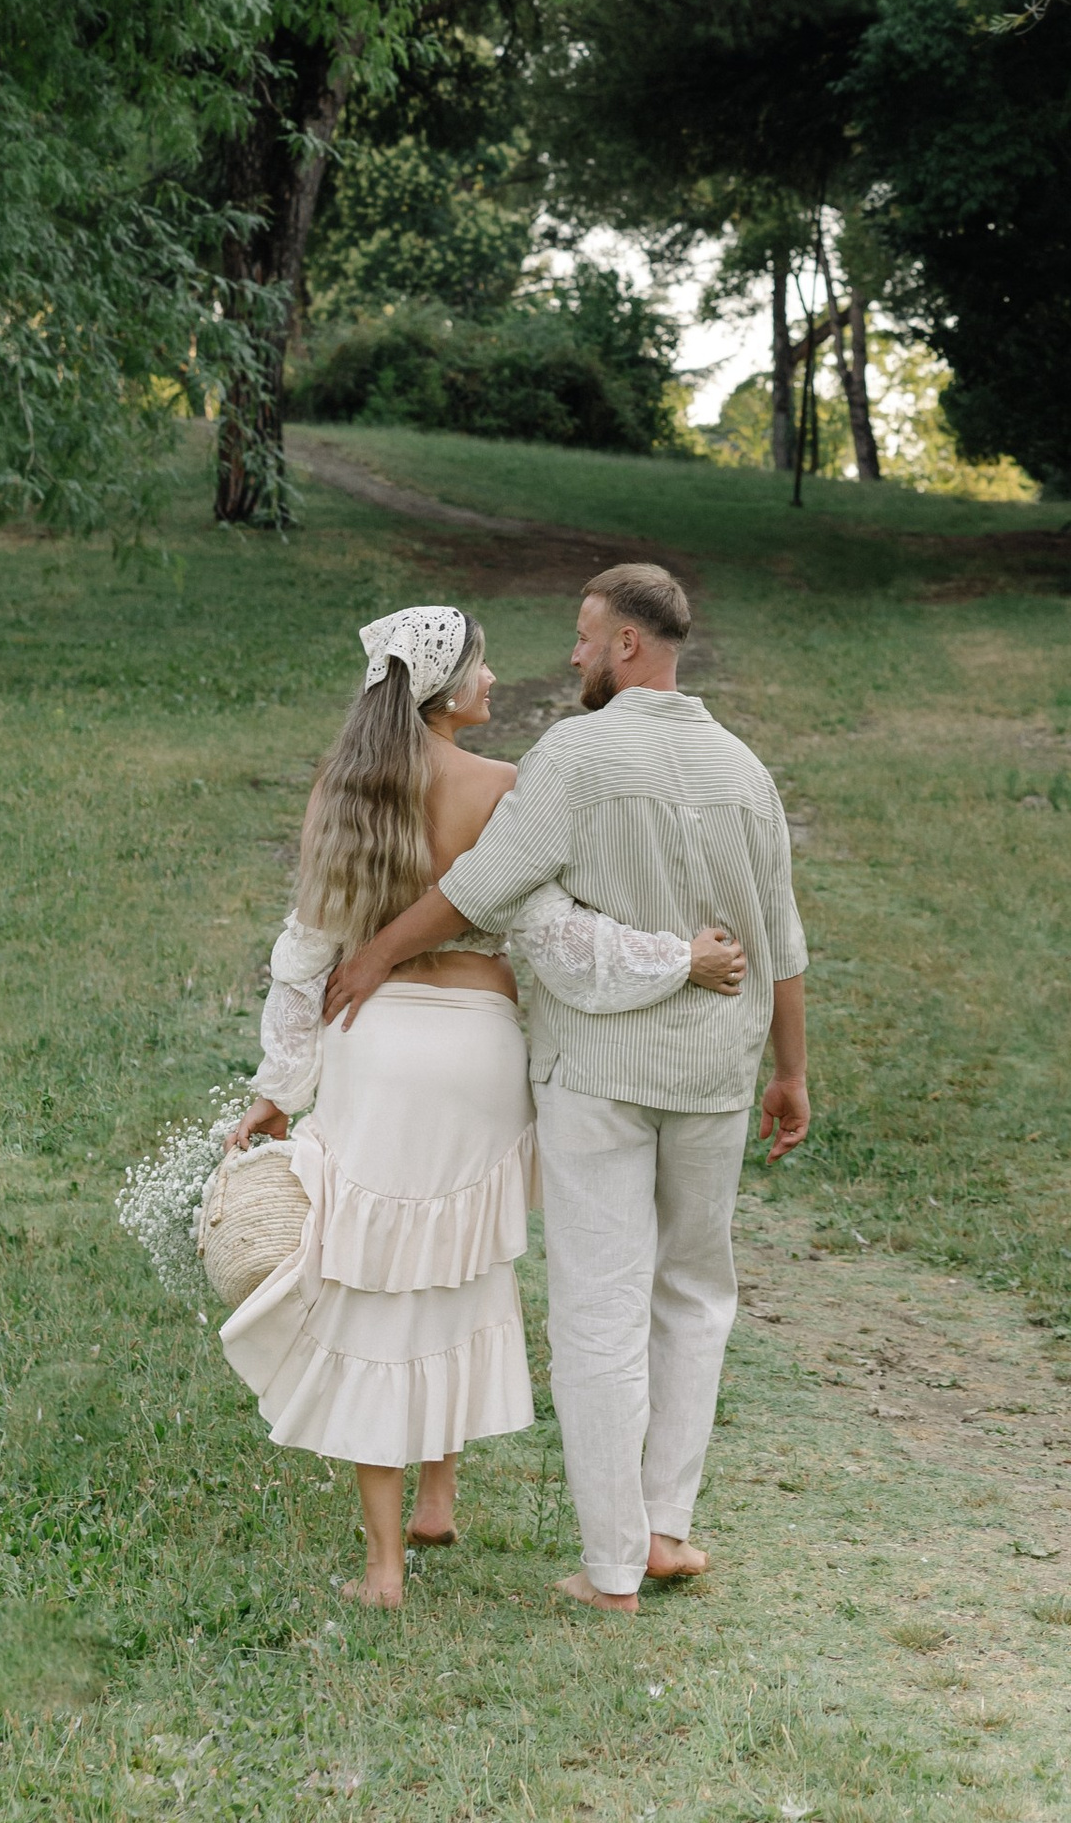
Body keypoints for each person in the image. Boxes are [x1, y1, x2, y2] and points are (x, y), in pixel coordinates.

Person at [220, 601, 746, 1608]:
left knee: (377, 1283)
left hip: (372, 1047)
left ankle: (384, 1566)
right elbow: (552, 935)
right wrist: (678, 958)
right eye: (483, 666)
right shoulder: (504, 789)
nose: (496, 679)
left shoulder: (343, 789)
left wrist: (277, 1089)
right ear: (448, 689)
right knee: (457, 1265)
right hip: (476, 1057)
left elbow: (303, 954)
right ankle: (438, 1497)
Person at [323, 560, 809, 1612]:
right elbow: (784, 939)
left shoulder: (574, 756)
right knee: (695, 1294)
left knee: (597, 1304)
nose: (574, 656)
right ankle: (667, 1526)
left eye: (585, 639)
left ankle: (613, 1566)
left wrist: (371, 957)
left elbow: (480, 888)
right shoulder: (744, 770)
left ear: (627, 644)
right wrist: (792, 1070)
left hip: (600, 1071)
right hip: (717, 1073)